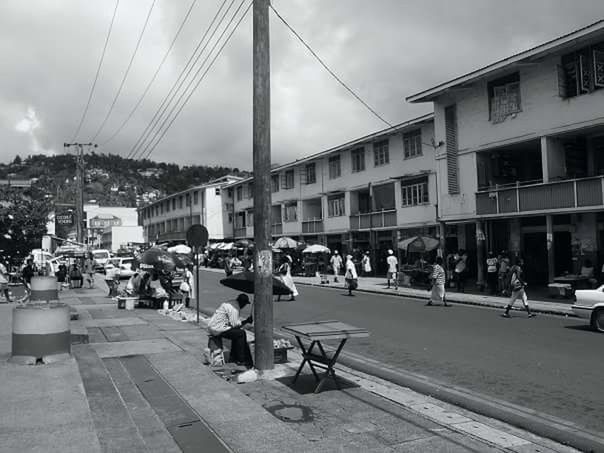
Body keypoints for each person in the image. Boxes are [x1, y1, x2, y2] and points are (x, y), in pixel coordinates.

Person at [207, 293, 254, 368]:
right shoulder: (234, 308)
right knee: (241, 333)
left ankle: (234, 357)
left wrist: (246, 321)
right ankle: (240, 359)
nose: (244, 306)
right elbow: (235, 324)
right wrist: (247, 321)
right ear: (243, 303)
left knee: (237, 333)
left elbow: (234, 324)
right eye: (245, 304)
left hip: (214, 326)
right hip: (217, 329)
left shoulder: (232, 303)